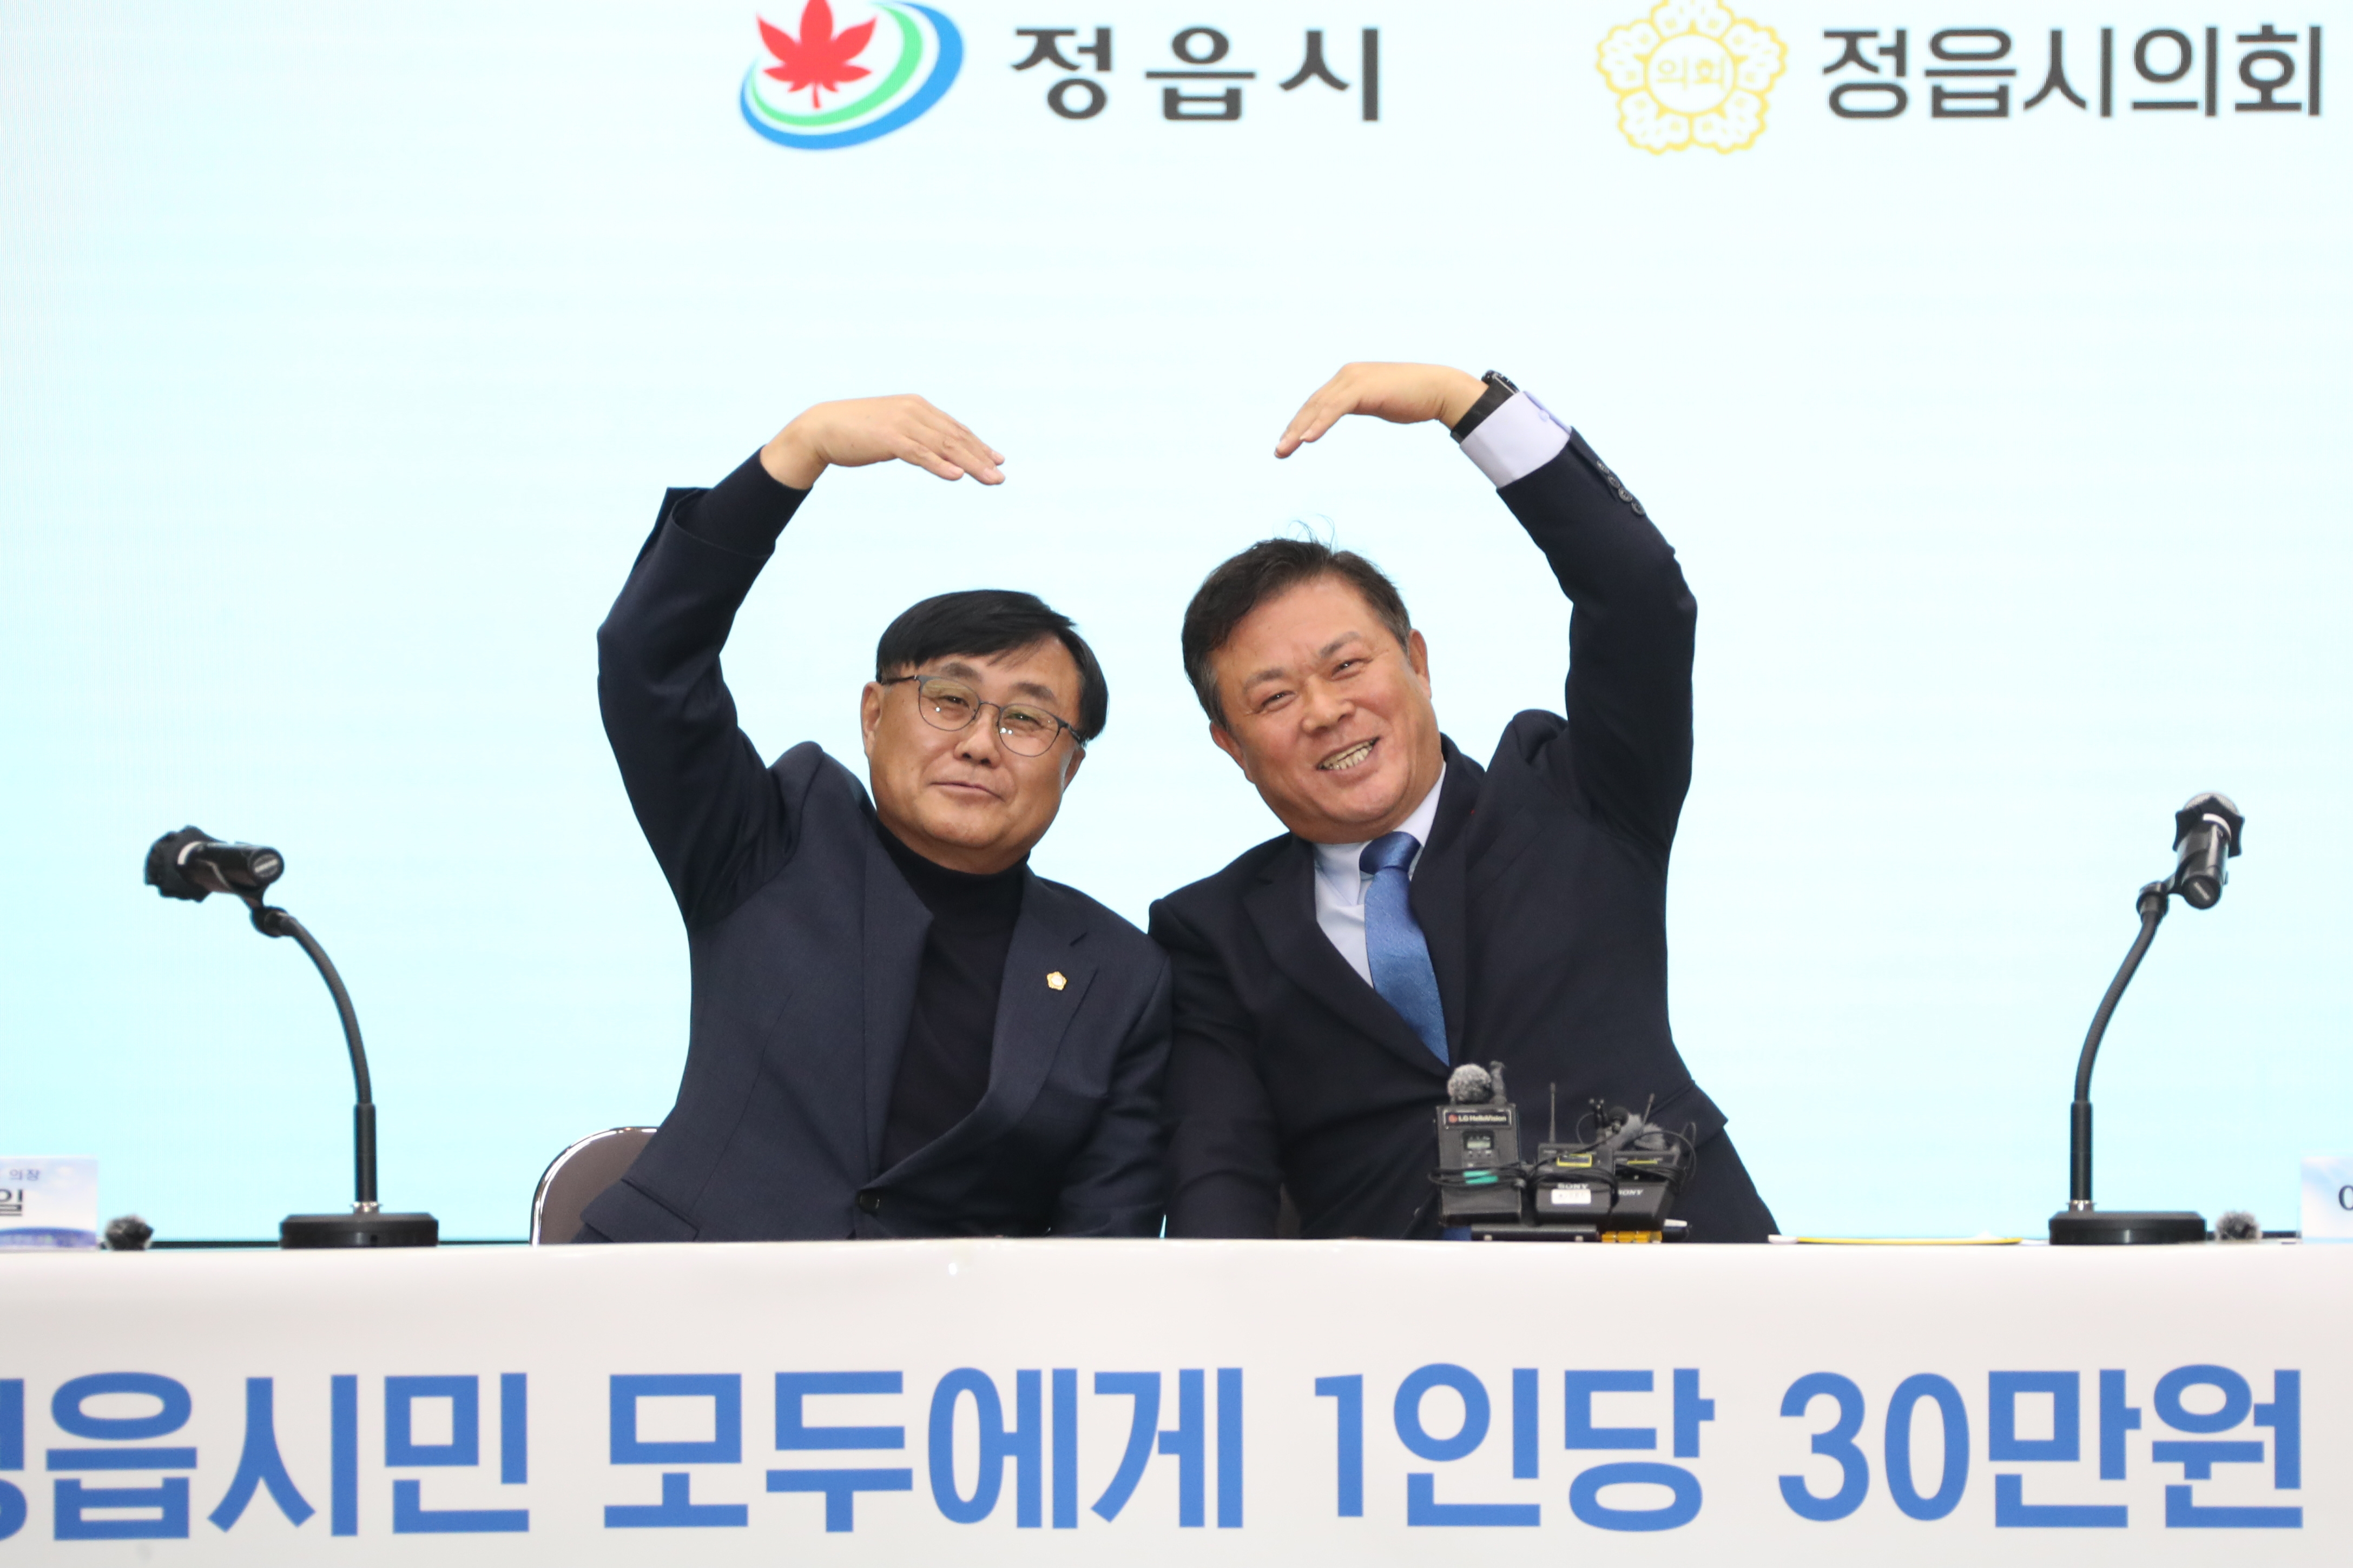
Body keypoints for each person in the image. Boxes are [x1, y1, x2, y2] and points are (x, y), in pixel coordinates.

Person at [1150, 361, 1776, 1241]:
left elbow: (1637, 593)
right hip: (1397, 1318)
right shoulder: (1212, 936)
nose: (1324, 712)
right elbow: (1220, 1174)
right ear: (1231, 745)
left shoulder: (1578, 797)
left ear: (1417, 661)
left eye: (1346, 666)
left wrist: (1462, 405)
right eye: (1275, 697)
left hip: (1667, 1276)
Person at [578, 394, 1170, 1242]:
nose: (979, 744)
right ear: (872, 716)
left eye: (1026, 720)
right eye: (949, 700)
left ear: (1070, 766)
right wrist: (801, 450)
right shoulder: (770, 839)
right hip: (680, 1298)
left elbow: (1102, 1240)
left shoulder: (1118, 976)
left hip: (940, 1327)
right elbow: (647, 659)